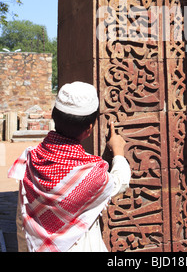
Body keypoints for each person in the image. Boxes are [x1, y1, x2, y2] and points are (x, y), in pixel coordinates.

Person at [8, 81, 131, 252]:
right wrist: (118, 152)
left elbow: (23, 216)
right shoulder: (92, 172)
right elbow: (120, 182)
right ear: (89, 128)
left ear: (54, 117)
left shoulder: (30, 159)